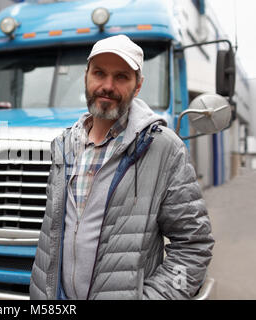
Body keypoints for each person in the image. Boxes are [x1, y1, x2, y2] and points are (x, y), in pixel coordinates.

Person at [29, 34, 215, 300]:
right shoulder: (64, 144)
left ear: (138, 86)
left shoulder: (164, 148)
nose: (107, 86)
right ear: (86, 77)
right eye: (99, 73)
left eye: (121, 77)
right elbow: (51, 236)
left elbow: (194, 246)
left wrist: (160, 296)